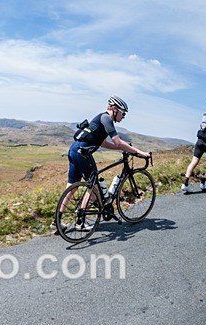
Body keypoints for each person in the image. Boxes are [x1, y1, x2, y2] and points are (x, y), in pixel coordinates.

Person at [54, 96, 151, 233]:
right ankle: (80, 222)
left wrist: (120, 148)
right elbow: (117, 142)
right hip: (83, 153)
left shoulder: (102, 119)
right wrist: (138, 152)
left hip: (75, 150)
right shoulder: (107, 119)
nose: (123, 117)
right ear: (114, 109)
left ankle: (56, 222)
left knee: (72, 187)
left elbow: (104, 143)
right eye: (123, 113)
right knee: (93, 187)